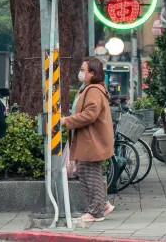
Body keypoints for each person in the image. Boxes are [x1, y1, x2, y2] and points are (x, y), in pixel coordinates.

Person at [60, 57, 115, 222]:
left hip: (92, 140)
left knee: (91, 174)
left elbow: (90, 115)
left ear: (93, 73)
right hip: (87, 139)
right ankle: (101, 205)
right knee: (85, 172)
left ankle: (97, 211)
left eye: (84, 70)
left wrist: (65, 121)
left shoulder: (93, 90)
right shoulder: (86, 88)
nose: (81, 73)